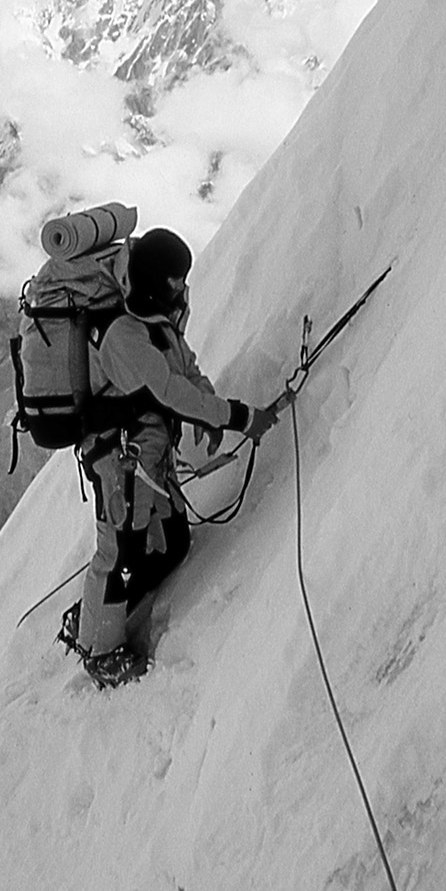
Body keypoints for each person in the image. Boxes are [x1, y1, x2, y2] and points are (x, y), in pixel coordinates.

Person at [73, 228, 277, 686]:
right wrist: (237, 417)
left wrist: (208, 410)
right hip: (120, 462)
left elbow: (185, 371)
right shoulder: (122, 335)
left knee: (173, 541)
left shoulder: (151, 318)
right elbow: (167, 391)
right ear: (152, 283)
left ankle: (98, 611)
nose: (182, 290)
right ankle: (99, 651)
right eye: (174, 282)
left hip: (146, 459)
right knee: (120, 550)